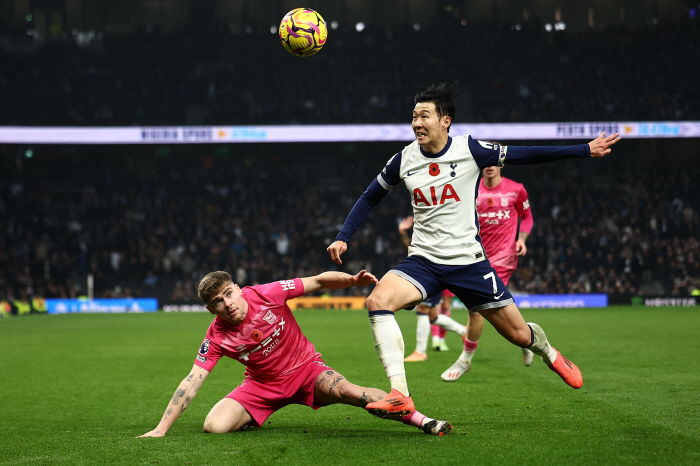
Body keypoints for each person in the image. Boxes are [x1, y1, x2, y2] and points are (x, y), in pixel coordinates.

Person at [326, 82, 620, 416]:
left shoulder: (471, 150)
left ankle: (548, 351)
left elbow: (528, 155)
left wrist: (584, 149)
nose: (416, 123)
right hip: (422, 261)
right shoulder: (403, 159)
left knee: (519, 336)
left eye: (424, 116)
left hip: (468, 262)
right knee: (378, 300)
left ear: (445, 120)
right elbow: (370, 196)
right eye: (413, 117)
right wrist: (343, 235)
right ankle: (400, 393)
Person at [138, 270, 452, 437]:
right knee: (214, 426)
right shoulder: (217, 336)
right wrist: (161, 429)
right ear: (211, 309)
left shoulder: (266, 294)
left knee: (350, 392)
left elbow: (316, 281)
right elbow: (192, 380)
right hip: (261, 387)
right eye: (218, 301)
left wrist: (353, 282)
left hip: (307, 372)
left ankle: (423, 420)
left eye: (229, 293)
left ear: (237, 287)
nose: (228, 303)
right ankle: (251, 416)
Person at [442, 163, 535, 382]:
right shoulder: (471, 189)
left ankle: (464, 360)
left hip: (504, 257)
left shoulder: (516, 189)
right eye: (486, 163)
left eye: (494, 163)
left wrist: (521, 239)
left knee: (478, 309)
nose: (490, 167)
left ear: (501, 165)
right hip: (475, 256)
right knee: (491, 308)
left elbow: (527, 217)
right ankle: (528, 336)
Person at [398, 216, 467, 362]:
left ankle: (420, 352)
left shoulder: (437, 234)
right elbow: (413, 250)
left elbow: (414, 250)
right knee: (432, 316)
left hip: (432, 274)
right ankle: (463, 331)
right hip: (434, 273)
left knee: (422, 310)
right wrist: (403, 232)